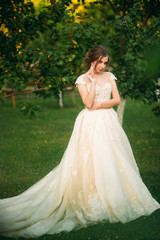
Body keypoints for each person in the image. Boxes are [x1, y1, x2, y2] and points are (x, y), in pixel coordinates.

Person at [0, 45, 159, 238]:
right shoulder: (82, 80)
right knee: (92, 159)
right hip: (90, 124)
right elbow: (88, 104)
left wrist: (100, 104)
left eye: (105, 62)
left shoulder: (110, 77)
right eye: (100, 61)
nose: (102, 66)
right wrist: (92, 84)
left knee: (113, 158)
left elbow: (116, 100)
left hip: (108, 121)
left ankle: (115, 196)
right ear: (92, 59)